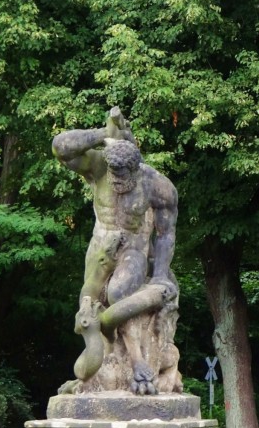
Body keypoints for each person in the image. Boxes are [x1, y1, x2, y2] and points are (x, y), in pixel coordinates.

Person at [52, 107, 179, 395]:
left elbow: (165, 233)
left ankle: (137, 362)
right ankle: (96, 368)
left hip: (132, 249)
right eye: (114, 175)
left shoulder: (156, 185)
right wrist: (102, 134)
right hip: (100, 244)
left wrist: (160, 275)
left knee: (119, 293)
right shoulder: (99, 167)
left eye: (123, 176)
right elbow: (60, 148)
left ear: (135, 168)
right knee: (88, 301)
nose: (118, 181)